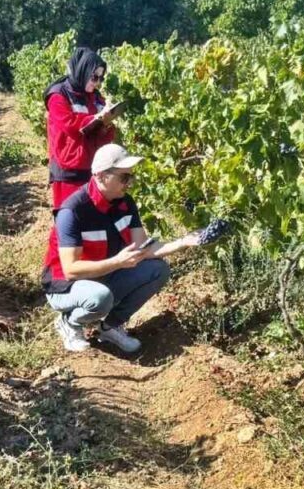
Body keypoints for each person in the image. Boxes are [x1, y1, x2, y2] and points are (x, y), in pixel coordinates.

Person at [42, 143, 201, 355]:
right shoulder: (73, 211)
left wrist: (184, 242)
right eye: (124, 177)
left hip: (104, 274)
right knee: (100, 298)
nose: (130, 183)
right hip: (66, 286)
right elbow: (71, 269)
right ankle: (70, 322)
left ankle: (110, 326)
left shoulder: (125, 203)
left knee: (157, 269)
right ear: (100, 176)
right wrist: (118, 262)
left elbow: (143, 248)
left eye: (131, 177)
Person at [45, 46, 118, 209]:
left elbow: (101, 133)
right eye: (94, 77)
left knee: (87, 220)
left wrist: (106, 124)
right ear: (82, 71)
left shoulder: (95, 97)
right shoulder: (58, 96)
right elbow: (70, 124)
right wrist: (96, 118)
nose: (98, 83)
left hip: (91, 168)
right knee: (68, 218)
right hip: (68, 172)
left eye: (101, 78)